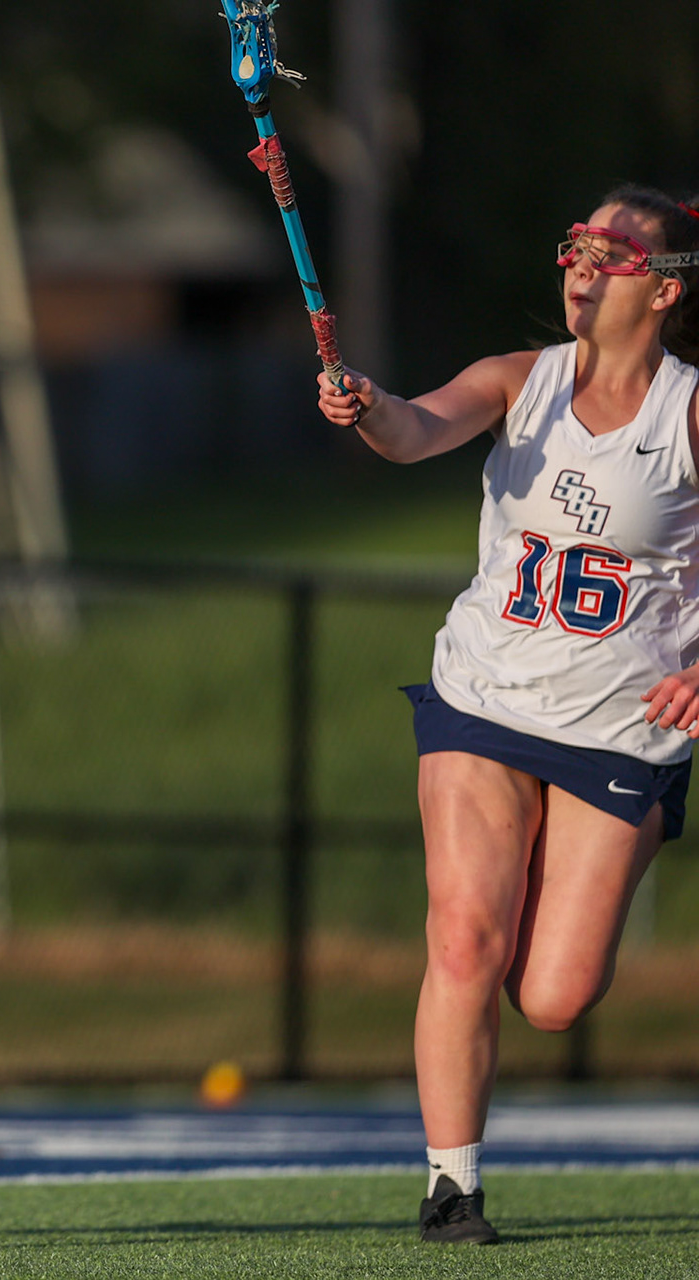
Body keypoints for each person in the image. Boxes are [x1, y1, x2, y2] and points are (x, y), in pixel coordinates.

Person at [318, 185, 699, 1245]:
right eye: (574, 243)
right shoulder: (517, 380)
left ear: (664, 291)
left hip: (619, 727)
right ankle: (452, 1188)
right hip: (483, 697)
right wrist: (367, 403)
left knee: (556, 997)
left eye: (611, 252)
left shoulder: (686, 413)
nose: (581, 264)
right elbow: (412, 429)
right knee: (463, 936)